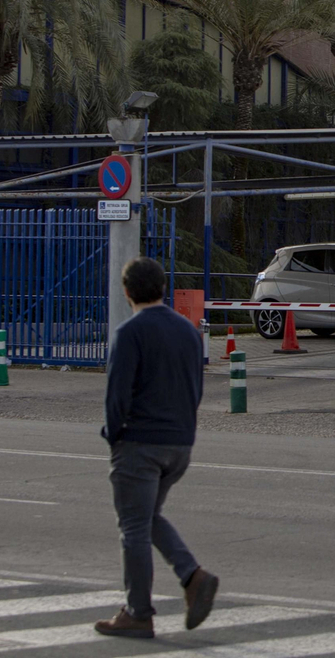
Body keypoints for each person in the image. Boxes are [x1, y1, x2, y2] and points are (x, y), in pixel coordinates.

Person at [95, 256, 218, 639]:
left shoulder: (130, 332)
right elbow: (196, 388)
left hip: (140, 444)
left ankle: (139, 612)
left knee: (132, 525)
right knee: (147, 517)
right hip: (179, 443)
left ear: (127, 291)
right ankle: (192, 577)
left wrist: (114, 434)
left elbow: (117, 395)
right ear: (163, 289)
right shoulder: (188, 331)